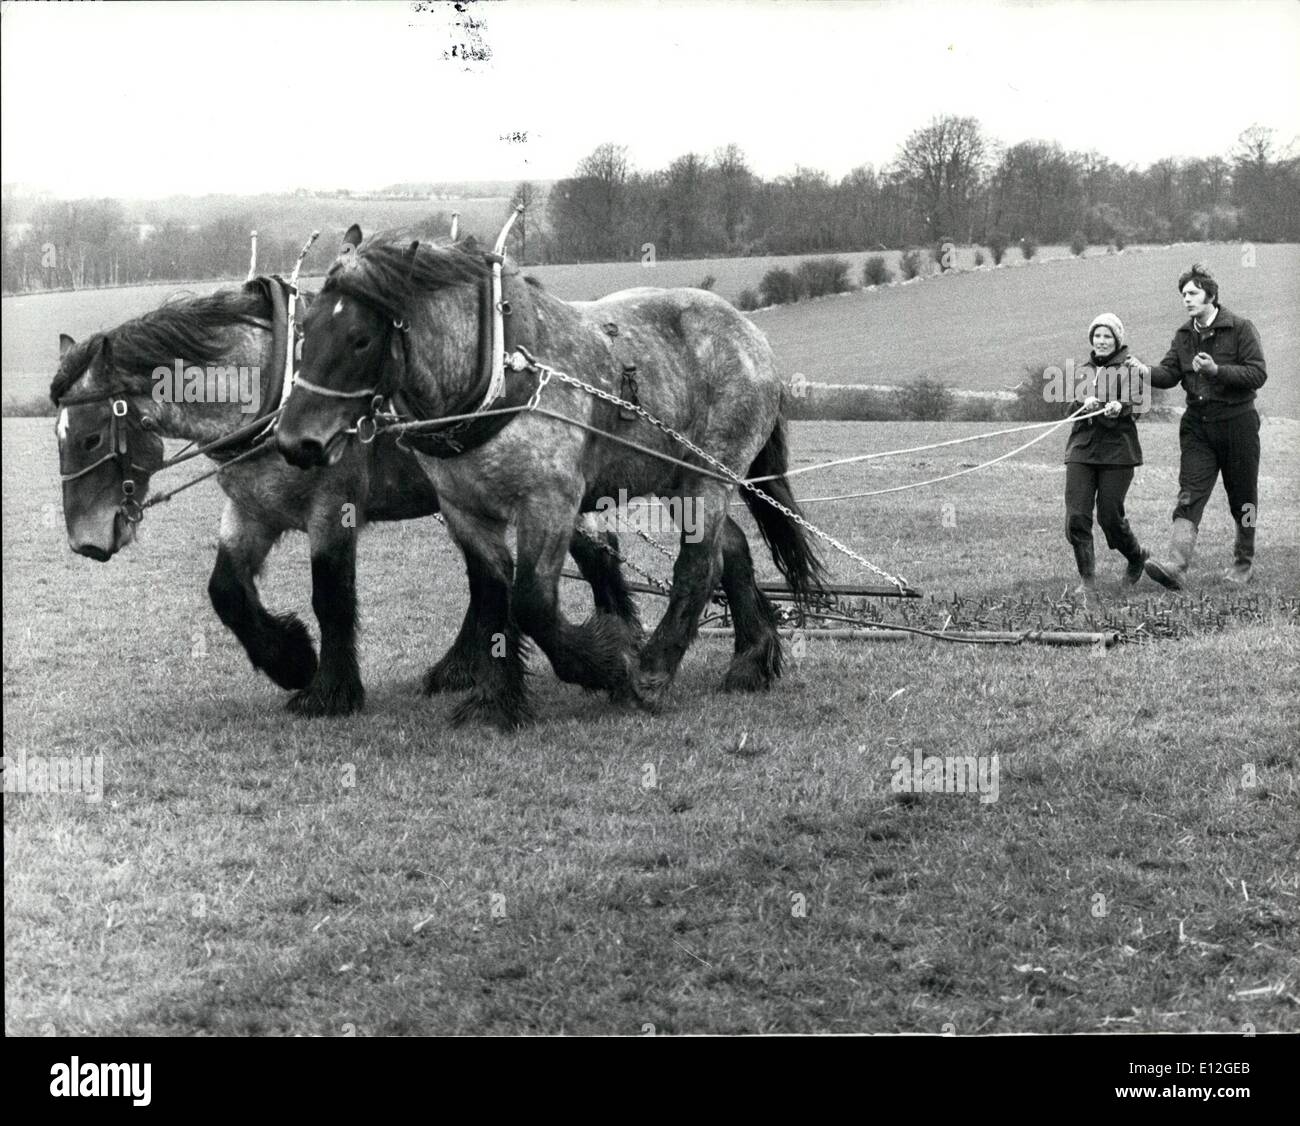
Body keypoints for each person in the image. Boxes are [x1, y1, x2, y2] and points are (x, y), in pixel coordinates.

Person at [1127, 264, 1267, 588]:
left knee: (1244, 498)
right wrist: (1143, 371)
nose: (1186, 299)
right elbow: (1170, 374)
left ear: (1211, 295)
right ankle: (1176, 565)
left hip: (1238, 424)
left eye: (1192, 293)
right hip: (1197, 428)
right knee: (1189, 495)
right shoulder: (1183, 335)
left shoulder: (1241, 328)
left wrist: (1218, 370)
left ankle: (1243, 563)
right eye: (1183, 294)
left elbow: (1257, 374)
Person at [1064, 313, 1148, 598]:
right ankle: (1087, 579)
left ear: (1117, 340)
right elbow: (1068, 410)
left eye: (1107, 336)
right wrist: (1081, 402)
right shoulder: (1082, 370)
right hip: (1082, 451)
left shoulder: (1130, 369)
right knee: (1077, 516)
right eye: (1097, 336)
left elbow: (1138, 405)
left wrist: (1119, 407)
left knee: (1110, 517)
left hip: (1118, 452)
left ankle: (1137, 556)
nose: (1101, 341)